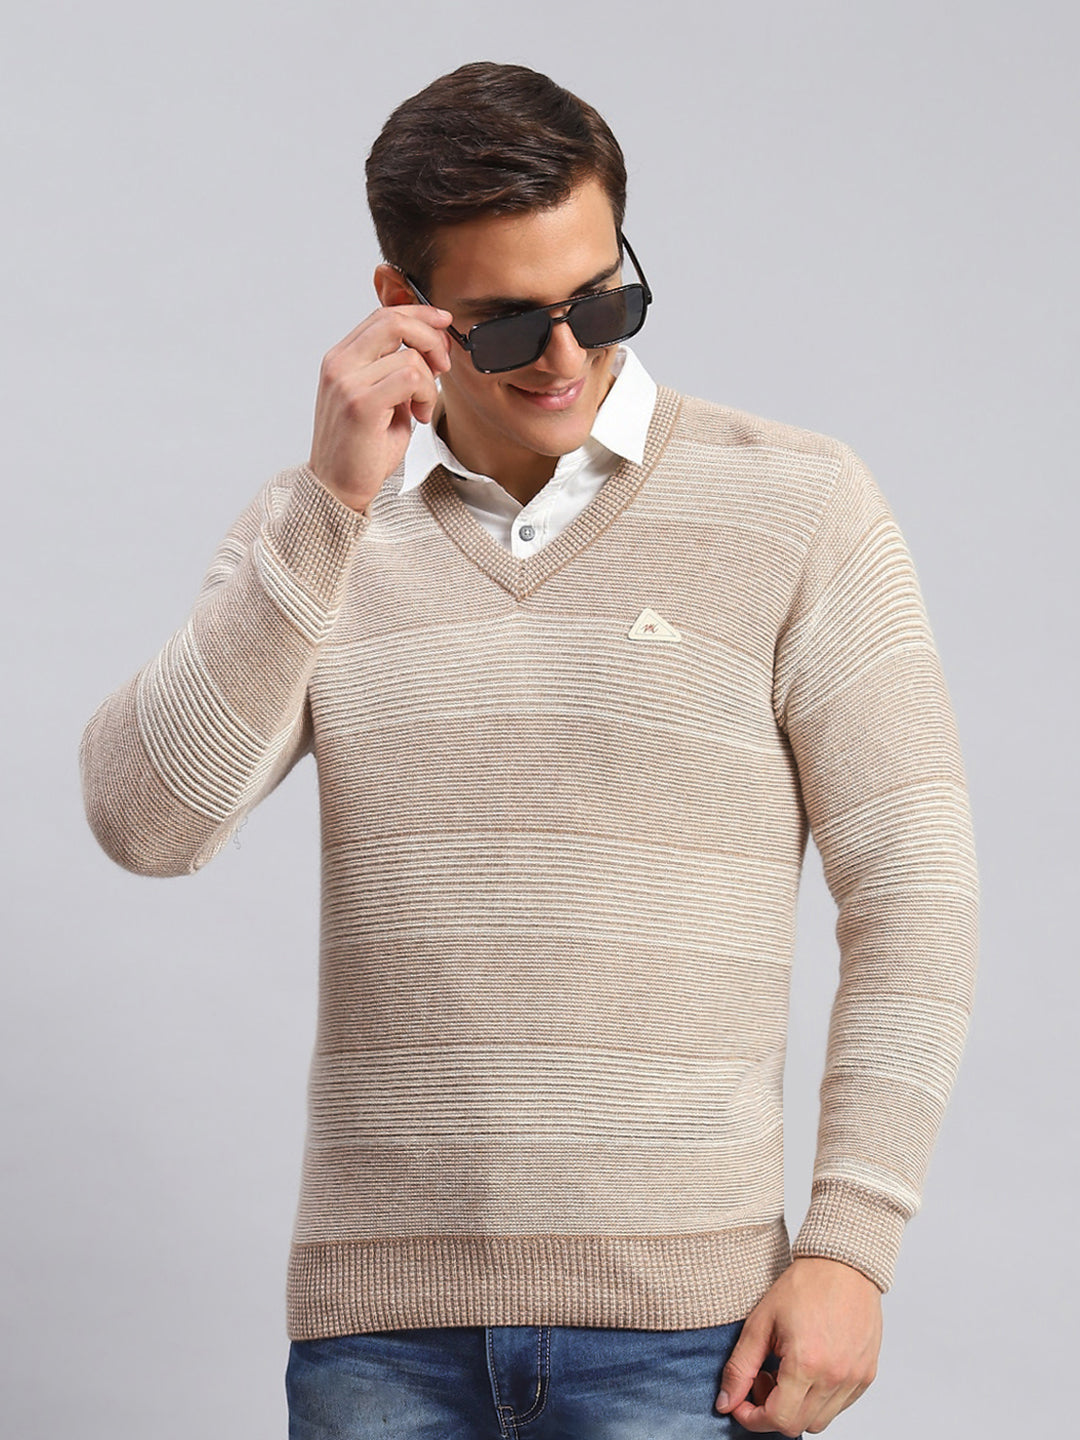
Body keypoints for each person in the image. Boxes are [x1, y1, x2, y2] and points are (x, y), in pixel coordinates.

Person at [79, 61, 979, 1440]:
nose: (567, 359)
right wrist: (329, 507)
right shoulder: (319, 531)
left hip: (690, 1338)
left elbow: (917, 894)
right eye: (507, 325)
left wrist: (852, 1248)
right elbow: (147, 824)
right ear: (404, 304)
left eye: (603, 302)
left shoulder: (797, 505)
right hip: (381, 1341)